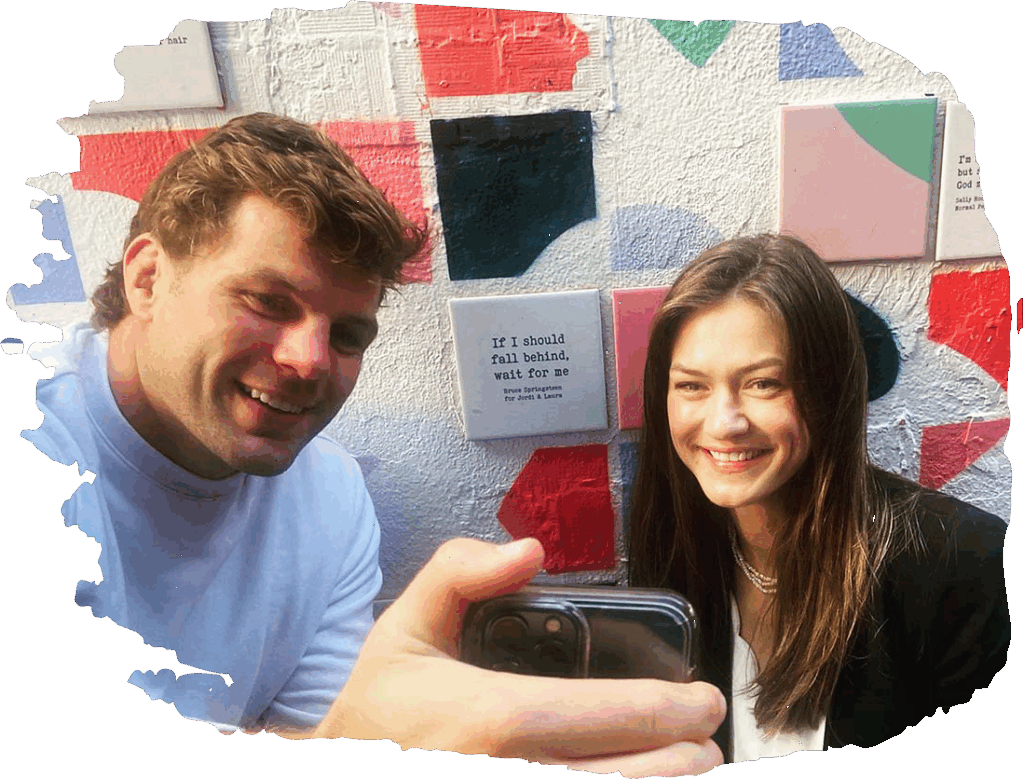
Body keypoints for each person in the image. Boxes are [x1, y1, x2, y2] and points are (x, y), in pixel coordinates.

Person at [24, 112, 725, 775]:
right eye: (268, 300)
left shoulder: (333, 500)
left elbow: (317, 732)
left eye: (349, 335)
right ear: (147, 277)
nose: (310, 359)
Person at [627, 234, 1010, 763]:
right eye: (692, 386)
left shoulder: (966, 564)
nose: (724, 423)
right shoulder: (675, 547)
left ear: (827, 390)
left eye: (763, 384)